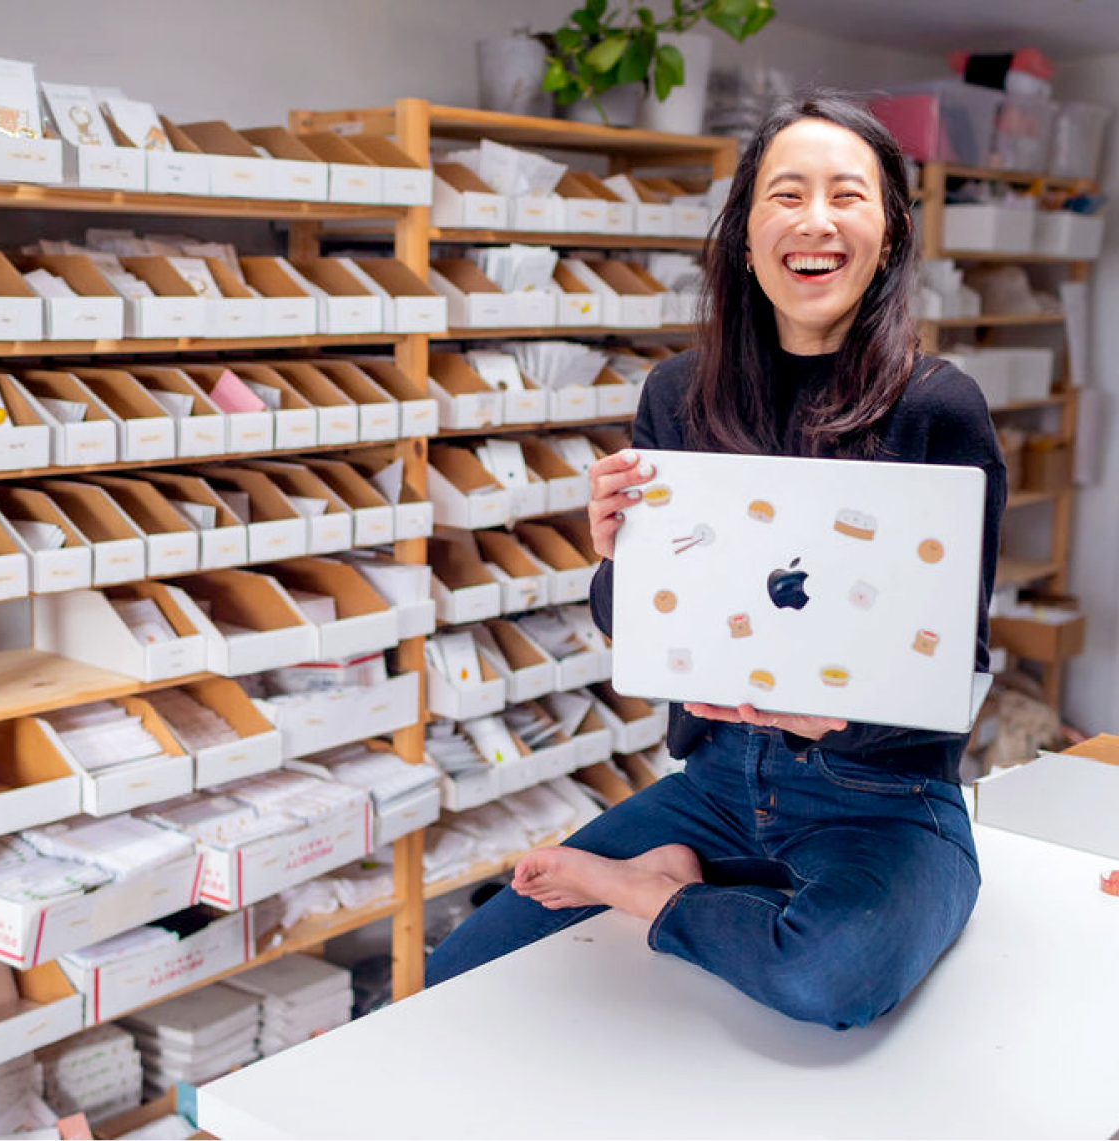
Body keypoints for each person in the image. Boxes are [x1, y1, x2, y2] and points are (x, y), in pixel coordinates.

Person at [425, 90, 1006, 1031]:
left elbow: (958, 668)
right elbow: (636, 627)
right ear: (744, 233)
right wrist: (617, 556)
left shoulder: (939, 408)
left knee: (827, 979)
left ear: (891, 232)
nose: (815, 221)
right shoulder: (678, 394)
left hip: (885, 799)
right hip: (719, 784)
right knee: (457, 971)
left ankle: (657, 893)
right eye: (788, 194)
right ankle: (678, 878)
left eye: (847, 195)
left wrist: (842, 720)